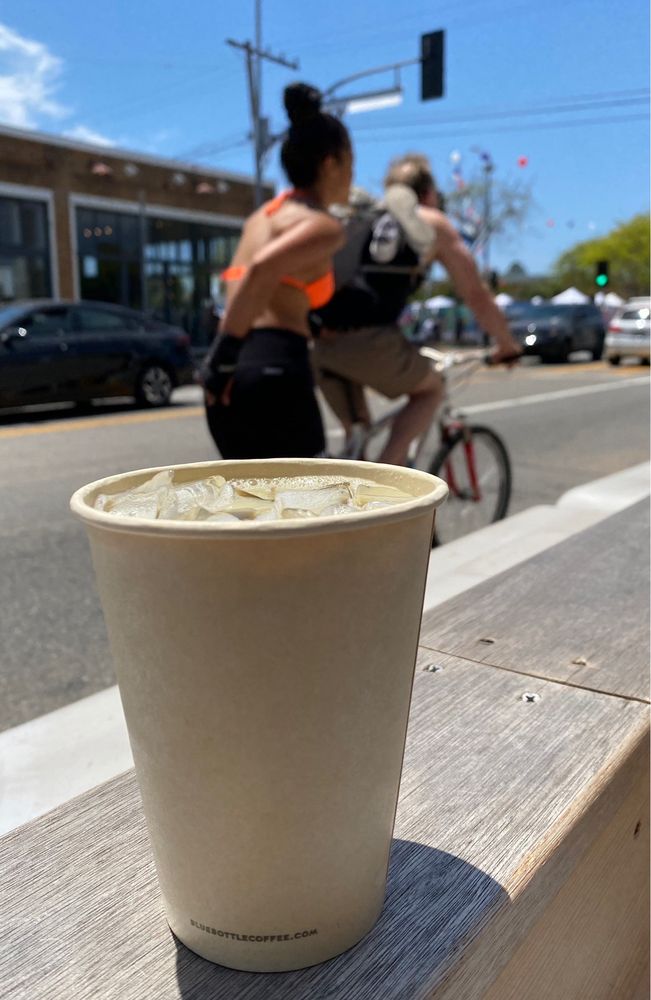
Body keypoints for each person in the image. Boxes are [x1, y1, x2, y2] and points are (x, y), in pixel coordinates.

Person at [312, 153, 520, 466]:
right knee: (431, 390)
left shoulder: (364, 219)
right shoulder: (430, 222)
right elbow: (476, 295)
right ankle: (388, 485)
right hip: (368, 343)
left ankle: (358, 496)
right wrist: (506, 345)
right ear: (428, 193)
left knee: (357, 446)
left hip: (319, 343)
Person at [201, 83, 352, 459]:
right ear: (330, 163)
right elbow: (264, 268)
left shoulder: (260, 218)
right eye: (351, 164)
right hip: (276, 370)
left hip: (231, 378)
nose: (352, 176)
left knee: (249, 508)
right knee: (312, 509)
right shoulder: (322, 225)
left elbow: (264, 285)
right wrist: (224, 351)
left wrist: (220, 362)